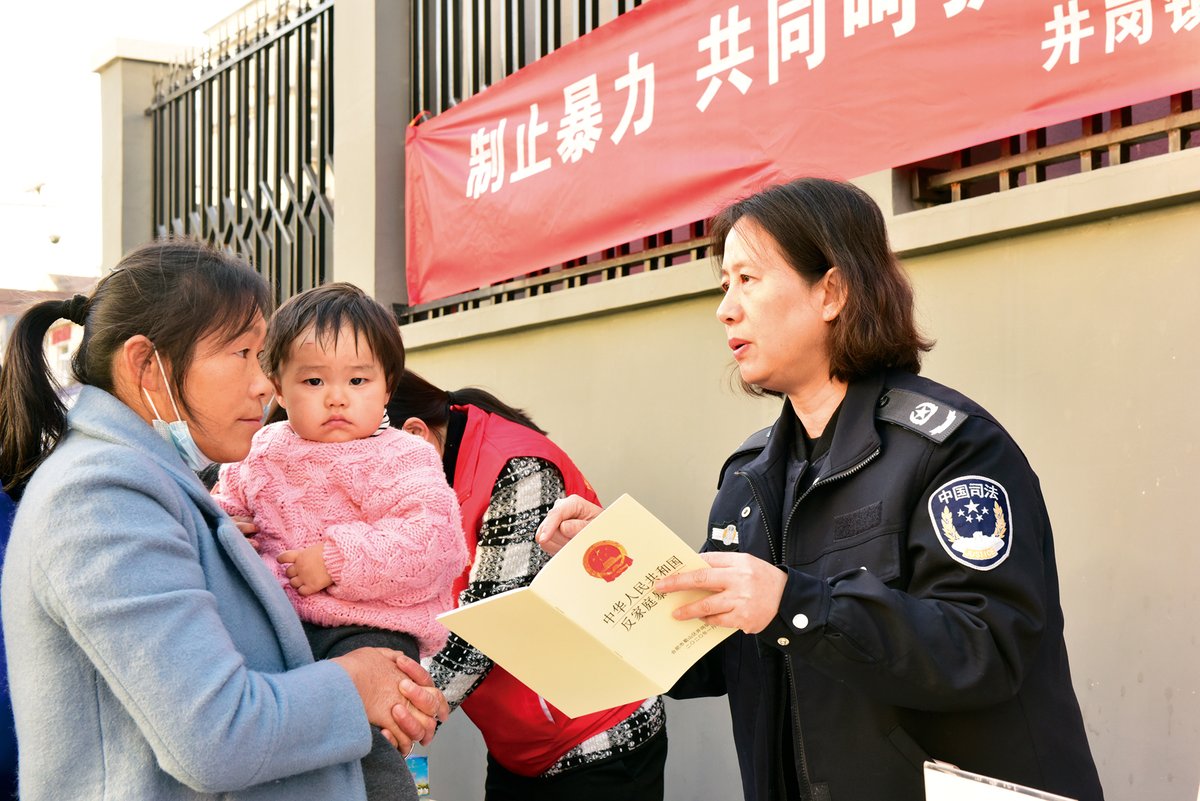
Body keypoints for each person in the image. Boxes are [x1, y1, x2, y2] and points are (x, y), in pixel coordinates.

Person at [537, 178, 1104, 801]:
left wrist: (796, 604)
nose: (726, 308)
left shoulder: (952, 449)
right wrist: (616, 573)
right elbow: (709, 657)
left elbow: (987, 647)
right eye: (723, 286)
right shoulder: (749, 478)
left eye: (748, 280)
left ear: (831, 291)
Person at [0, 240, 446, 801]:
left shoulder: (154, 478)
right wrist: (355, 685)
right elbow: (216, 736)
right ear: (147, 366)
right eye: (241, 354)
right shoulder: (100, 495)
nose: (264, 385)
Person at [214, 283, 469, 801]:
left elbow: (436, 544)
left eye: (358, 379)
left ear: (386, 386)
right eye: (313, 380)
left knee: (366, 739)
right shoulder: (262, 448)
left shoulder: (401, 457)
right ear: (279, 389)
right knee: (288, 749)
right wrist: (223, 524)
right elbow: (227, 502)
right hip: (279, 621)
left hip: (371, 625)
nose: (336, 397)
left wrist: (337, 559)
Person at [388, 371, 667, 801]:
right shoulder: (432, 477)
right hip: (519, 746)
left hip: (598, 738)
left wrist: (392, 722)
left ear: (414, 435)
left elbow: (482, 629)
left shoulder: (520, 470)